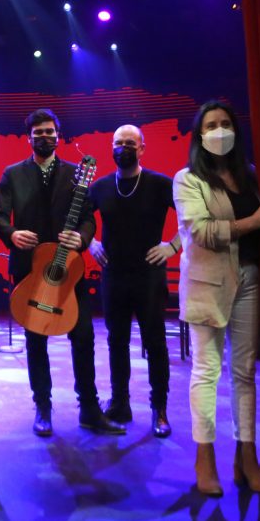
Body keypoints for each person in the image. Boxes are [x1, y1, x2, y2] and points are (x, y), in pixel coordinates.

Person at [173, 100, 260, 496]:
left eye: (225, 123)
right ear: (199, 135)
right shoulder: (187, 179)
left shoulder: (252, 175)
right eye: (211, 125)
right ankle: (204, 457)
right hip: (207, 282)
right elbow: (201, 231)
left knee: (244, 373)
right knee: (207, 372)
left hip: (250, 277)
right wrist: (254, 221)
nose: (219, 131)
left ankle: (247, 457)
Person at [0, 109, 125, 436]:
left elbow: (89, 218)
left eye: (50, 131)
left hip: (69, 271)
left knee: (83, 337)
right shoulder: (12, 174)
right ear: (29, 137)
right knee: (35, 341)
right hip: (29, 271)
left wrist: (82, 237)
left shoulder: (75, 174)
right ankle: (43, 407)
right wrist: (11, 234)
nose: (45, 136)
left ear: (58, 134)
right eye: (38, 132)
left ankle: (89, 409)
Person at [88, 124, 180, 438]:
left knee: (155, 343)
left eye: (130, 142)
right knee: (116, 343)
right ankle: (120, 404)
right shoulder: (100, 187)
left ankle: (160, 408)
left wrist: (172, 246)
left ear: (142, 148)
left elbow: (194, 216)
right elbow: (81, 221)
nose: (123, 147)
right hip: (113, 276)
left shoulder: (159, 184)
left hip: (149, 276)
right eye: (118, 142)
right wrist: (91, 243)